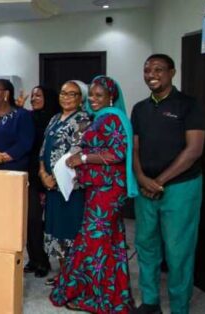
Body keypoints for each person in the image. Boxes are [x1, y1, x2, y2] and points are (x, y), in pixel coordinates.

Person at [50, 76, 139, 313]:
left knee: (96, 242)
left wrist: (84, 159)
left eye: (99, 95)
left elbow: (117, 153)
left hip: (108, 190)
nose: (93, 99)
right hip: (100, 187)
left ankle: (102, 298)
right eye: (91, 95)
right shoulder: (101, 117)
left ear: (112, 96)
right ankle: (112, 293)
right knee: (109, 242)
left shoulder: (111, 117)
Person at [131, 54, 205, 314]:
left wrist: (159, 181)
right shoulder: (140, 108)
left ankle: (179, 307)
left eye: (159, 69)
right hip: (145, 189)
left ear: (172, 72)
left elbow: (194, 150)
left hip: (180, 188)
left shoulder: (189, 105)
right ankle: (150, 303)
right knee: (146, 246)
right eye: (147, 69)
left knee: (178, 252)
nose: (152, 74)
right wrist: (141, 178)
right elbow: (136, 148)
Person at [38, 81, 90, 284]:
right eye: (63, 93)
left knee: (70, 231)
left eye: (72, 94)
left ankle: (74, 279)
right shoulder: (54, 118)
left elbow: (77, 153)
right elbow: (44, 149)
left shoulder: (83, 120)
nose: (66, 97)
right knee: (56, 230)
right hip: (51, 185)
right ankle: (63, 274)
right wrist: (43, 173)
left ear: (81, 99)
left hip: (70, 187)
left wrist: (57, 180)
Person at [22, 85, 59, 279]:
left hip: (50, 177)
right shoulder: (27, 117)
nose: (34, 98)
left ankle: (47, 261)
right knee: (31, 220)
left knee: (49, 222)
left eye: (39, 95)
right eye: (33, 95)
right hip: (30, 175)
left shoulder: (55, 120)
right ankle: (36, 259)